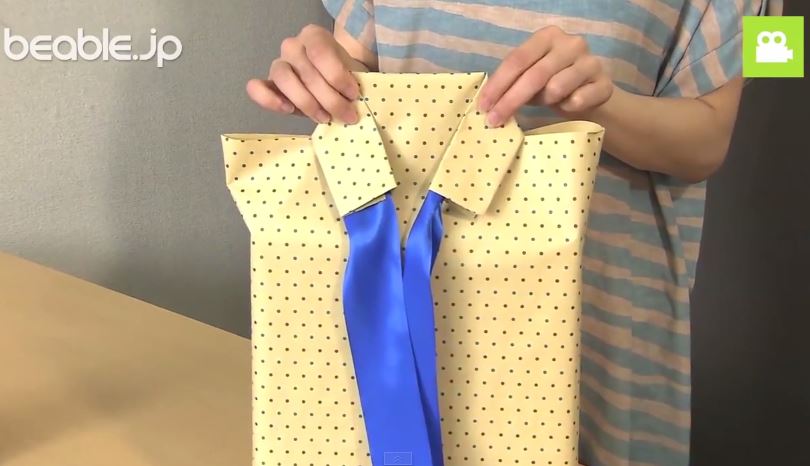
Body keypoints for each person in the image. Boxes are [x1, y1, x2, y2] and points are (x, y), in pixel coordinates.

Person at [246, 1, 782, 465]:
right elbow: (357, 67)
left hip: (596, 332)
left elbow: (714, 138)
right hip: (397, 322)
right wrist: (320, 72)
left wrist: (601, 102)